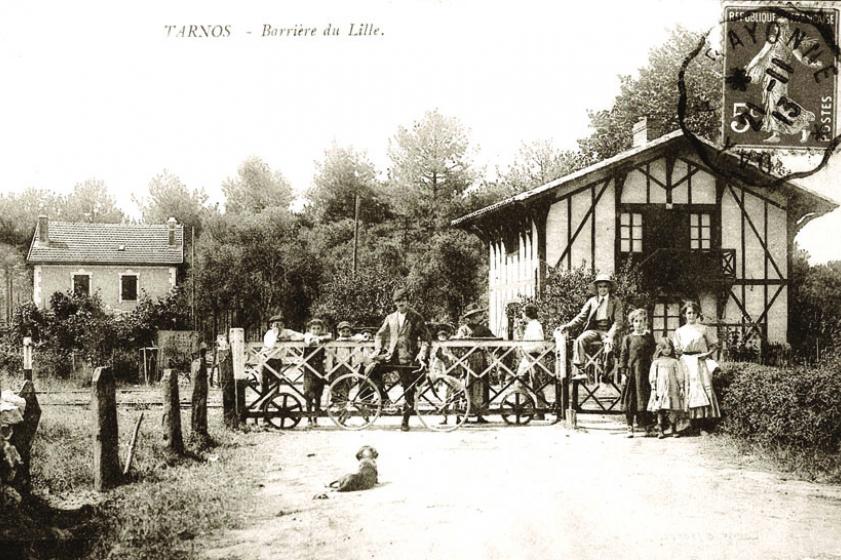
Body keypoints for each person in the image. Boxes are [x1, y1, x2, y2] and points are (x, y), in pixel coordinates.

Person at [744, 16, 823, 144]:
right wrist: (814, 64)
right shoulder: (791, 42)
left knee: (778, 102)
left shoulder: (773, 40)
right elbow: (802, 59)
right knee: (775, 102)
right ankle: (777, 133)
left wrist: (748, 69)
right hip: (781, 74)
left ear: (777, 27)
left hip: (774, 74)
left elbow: (760, 57)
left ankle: (804, 125)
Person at [369, 287, 431, 431]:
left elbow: (426, 338)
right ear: (395, 303)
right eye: (397, 301)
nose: (400, 303)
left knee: (408, 389)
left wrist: (422, 353)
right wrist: (378, 349)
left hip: (409, 358)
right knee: (372, 370)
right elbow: (379, 334)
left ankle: (405, 420)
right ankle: (384, 400)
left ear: (408, 301)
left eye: (403, 300)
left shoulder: (416, 317)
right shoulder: (390, 318)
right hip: (392, 356)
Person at [557, 273, 625, 381]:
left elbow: (618, 321)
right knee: (580, 339)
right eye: (600, 286)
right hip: (594, 329)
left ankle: (606, 371)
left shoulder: (615, 301)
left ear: (609, 288)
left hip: (608, 330)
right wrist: (568, 326)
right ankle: (580, 369)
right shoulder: (592, 301)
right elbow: (581, 317)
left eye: (605, 286)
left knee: (608, 345)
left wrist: (611, 334)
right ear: (597, 288)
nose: (603, 289)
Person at [672, 301, 721, 435]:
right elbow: (676, 350)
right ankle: (686, 426)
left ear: (697, 314)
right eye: (688, 313)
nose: (691, 315)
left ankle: (703, 425)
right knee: (686, 391)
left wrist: (707, 355)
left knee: (701, 391)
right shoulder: (679, 331)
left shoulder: (703, 329)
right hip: (685, 362)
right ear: (684, 315)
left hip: (700, 362)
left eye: (694, 313)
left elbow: (715, 344)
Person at [454, 303, 495, 424]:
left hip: (480, 358)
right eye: (476, 315)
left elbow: (493, 338)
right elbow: (458, 341)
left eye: (479, 315)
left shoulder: (484, 329)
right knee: (467, 384)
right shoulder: (464, 329)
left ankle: (480, 413)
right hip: (468, 358)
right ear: (471, 317)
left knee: (481, 384)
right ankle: (464, 413)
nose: (479, 317)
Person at [618, 308, 655, 438]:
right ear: (632, 323)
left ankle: (646, 426)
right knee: (631, 400)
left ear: (645, 323)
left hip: (645, 373)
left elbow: (653, 354)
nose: (639, 324)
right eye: (636, 321)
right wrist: (623, 373)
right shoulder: (628, 338)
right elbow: (623, 356)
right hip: (631, 374)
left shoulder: (648, 338)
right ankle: (629, 427)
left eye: (641, 321)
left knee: (645, 399)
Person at [647, 337, 686, 439]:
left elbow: (679, 375)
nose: (667, 350)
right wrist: (653, 387)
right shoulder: (656, 362)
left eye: (669, 348)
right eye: (664, 348)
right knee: (660, 409)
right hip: (660, 388)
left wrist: (681, 387)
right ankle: (660, 429)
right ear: (660, 349)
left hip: (672, 388)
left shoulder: (674, 362)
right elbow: (653, 376)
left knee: (672, 408)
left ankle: (673, 428)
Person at [516, 303, 549, 420]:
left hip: (534, 357)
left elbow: (537, 344)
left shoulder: (535, 326)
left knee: (536, 384)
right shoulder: (531, 325)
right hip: (528, 357)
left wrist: (526, 350)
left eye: (523, 313)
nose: (522, 315)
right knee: (519, 381)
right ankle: (528, 407)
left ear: (526, 314)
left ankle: (540, 411)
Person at [261, 313, 304, 395]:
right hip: (265, 359)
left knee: (275, 382)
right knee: (263, 381)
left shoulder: (286, 332)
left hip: (277, 360)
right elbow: (270, 344)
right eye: (276, 325)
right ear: (271, 326)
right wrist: (277, 335)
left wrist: (289, 338)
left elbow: (300, 336)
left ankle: (273, 400)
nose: (278, 327)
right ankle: (264, 401)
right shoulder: (269, 333)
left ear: (284, 326)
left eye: (281, 325)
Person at [302, 318, 332, 427]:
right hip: (309, 368)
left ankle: (316, 419)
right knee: (308, 392)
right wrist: (318, 339)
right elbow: (309, 341)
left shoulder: (323, 336)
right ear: (309, 329)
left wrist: (321, 337)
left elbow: (329, 336)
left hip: (319, 367)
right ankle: (309, 419)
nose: (316, 330)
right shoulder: (307, 336)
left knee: (318, 393)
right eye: (313, 328)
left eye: (318, 328)